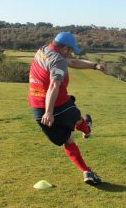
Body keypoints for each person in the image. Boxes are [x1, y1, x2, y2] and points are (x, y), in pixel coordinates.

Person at [28, 32, 105, 185]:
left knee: (67, 140)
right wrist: (49, 112)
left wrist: (94, 66)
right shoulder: (59, 61)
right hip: (58, 105)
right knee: (76, 119)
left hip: (37, 108)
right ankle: (87, 129)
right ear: (64, 48)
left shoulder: (43, 50)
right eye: (70, 50)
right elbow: (54, 85)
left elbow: (72, 62)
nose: (70, 53)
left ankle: (86, 172)